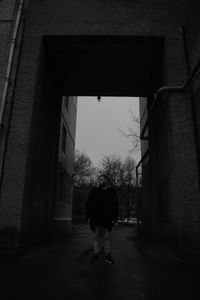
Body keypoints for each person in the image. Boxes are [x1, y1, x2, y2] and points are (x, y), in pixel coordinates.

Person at [86, 175, 118, 264]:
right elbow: (89, 203)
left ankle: (107, 255)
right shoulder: (95, 190)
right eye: (99, 179)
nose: (100, 180)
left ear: (106, 180)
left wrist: (115, 217)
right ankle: (96, 255)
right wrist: (88, 216)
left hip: (107, 219)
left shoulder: (111, 191)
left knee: (107, 238)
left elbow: (115, 205)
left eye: (102, 179)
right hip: (96, 219)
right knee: (96, 238)